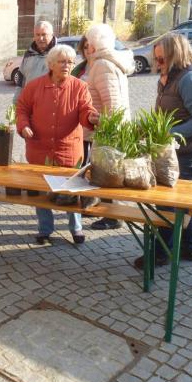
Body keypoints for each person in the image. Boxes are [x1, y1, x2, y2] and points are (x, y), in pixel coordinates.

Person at [135, 32, 192, 270]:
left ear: (175, 55)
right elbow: (170, 113)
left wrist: (166, 134)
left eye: (161, 59)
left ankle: (159, 254)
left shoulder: (188, 79)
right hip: (178, 151)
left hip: (190, 153)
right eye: (156, 59)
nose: (157, 64)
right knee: (181, 203)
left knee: (166, 204)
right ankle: (191, 248)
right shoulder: (170, 77)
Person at [16, 45, 99, 245]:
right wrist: (24, 126)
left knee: (73, 190)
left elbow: (85, 110)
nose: (67, 65)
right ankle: (45, 229)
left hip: (68, 150)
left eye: (70, 62)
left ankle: (76, 228)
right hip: (39, 148)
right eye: (62, 61)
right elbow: (22, 109)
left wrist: (91, 117)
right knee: (42, 191)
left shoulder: (79, 86)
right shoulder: (34, 86)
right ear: (51, 64)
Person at [83, 24, 134, 230]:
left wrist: (96, 120)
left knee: (109, 174)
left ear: (94, 45)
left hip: (109, 133)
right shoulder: (108, 62)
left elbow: (113, 107)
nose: (86, 48)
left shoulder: (103, 65)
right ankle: (109, 211)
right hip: (110, 131)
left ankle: (112, 216)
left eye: (88, 44)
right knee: (108, 173)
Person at [13, 20, 57, 103]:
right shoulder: (28, 54)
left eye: (44, 34)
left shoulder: (59, 54)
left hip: (50, 105)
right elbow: (21, 82)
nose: (40, 38)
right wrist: (15, 103)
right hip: (30, 103)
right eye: (38, 35)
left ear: (51, 35)